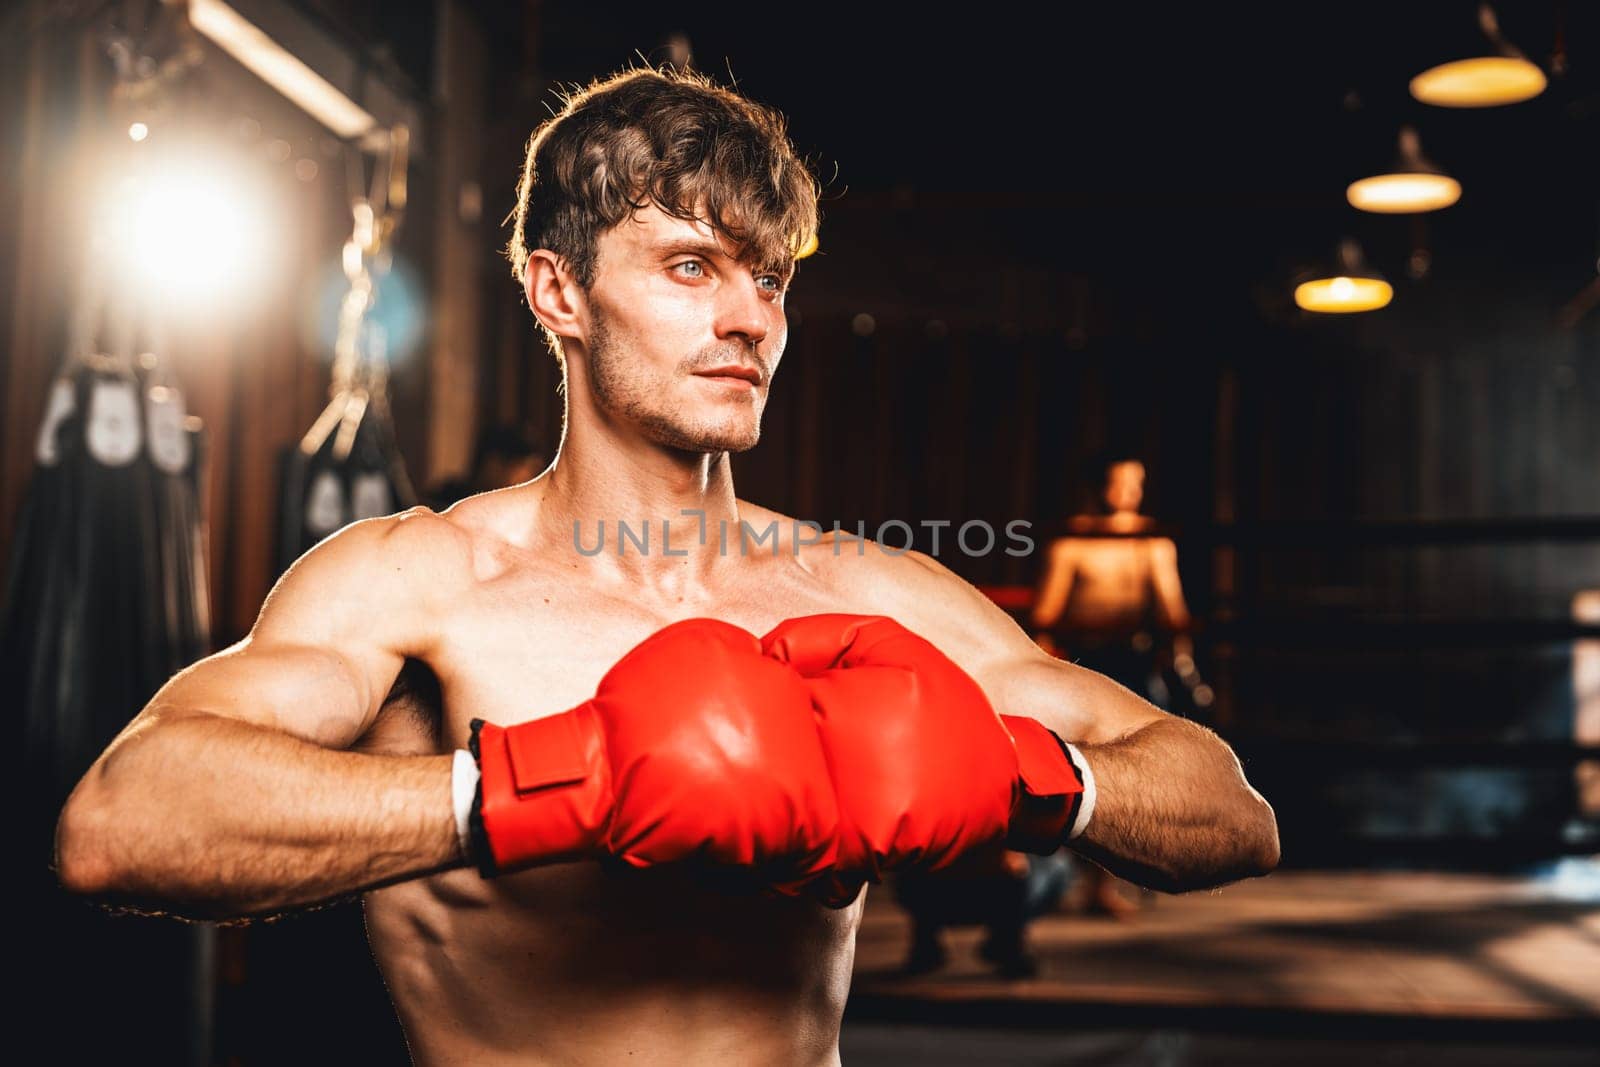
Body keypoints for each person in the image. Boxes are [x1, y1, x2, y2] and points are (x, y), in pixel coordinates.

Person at [53, 67, 1278, 1066]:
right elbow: (124, 819)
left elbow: (1229, 810)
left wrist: (1032, 778)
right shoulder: (416, 582)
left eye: (771, 277)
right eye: (692, 264)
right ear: (558, 290)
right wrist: (545, 788)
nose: (748, 315)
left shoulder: (867, 594)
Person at [1031, 454, 1200, 918]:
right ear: (1098, 485)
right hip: (1085, 659)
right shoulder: (1075, 541)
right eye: (1118, 481)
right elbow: (1047, 612)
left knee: (1137, 765)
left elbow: (1172, 607)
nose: (1127, 490)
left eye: (1135, 482)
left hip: (1134, 657)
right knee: (1079, 765)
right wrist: (1046, 669)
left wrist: (1183, 664)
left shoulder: (1151, 541)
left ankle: (1115, 880)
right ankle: (1063, 879)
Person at [423, 422, 549, 510]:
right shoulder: (446, 504)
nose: (532, 481)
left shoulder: (522, 515)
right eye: (523, 466)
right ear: (493, 464)